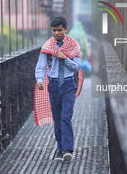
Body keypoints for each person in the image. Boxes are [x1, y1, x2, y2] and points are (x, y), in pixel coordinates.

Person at [35, 17, 81, 161]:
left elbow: (77, 67)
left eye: (59, 30)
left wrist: (65, 58)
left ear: (65, 29)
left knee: (65, 116)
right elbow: (41, 65)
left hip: (68, 85)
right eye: (54, 30)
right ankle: (60, 148)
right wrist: (40, 80)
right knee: (57, 118)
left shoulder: (73, 45)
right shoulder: (48, 46)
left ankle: (68, 149)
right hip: (53, 85)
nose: (56, 33)